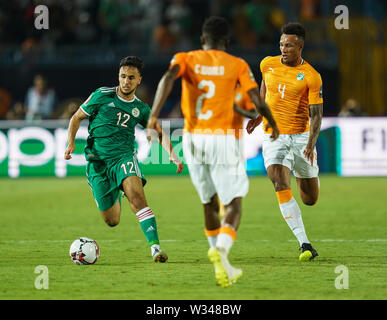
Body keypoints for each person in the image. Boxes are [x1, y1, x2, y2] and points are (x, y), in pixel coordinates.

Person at [148, 16, 278, 287]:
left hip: (192, 138)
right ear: (227, 42)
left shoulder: (185, 58)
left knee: (208, 201)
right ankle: (221, 249)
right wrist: (271, 123)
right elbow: (257, 100)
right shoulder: (238, 64)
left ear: (202, 40)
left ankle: (220, 263)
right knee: (234, 203)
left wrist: (154, 116)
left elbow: (167, 78)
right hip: (223, 137)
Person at [64, 56, 184, 263]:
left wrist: (172, 155)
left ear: (139, 80)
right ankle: (116, 190)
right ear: (118, 77)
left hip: (123, 158)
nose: (126, 81)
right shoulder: (101, 95)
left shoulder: (142, 109)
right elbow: (76, 118)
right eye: (122, 76)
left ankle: (155, 249)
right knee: (112, 221)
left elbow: (160, 133)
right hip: (98, 163)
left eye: (131, 77)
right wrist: (71, 143)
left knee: (137, 199)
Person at [247, 22, 323, 261]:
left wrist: (310, 144)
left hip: (301, 137)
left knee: (310, 199)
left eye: (288, 45)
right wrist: (259, 114)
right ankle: (305, 243)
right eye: (281, 44)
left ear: (299, 46)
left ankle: (308, 175)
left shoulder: (311, 76)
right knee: (279, 182)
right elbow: (265, 88)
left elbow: (317, 114)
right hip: (274, 135)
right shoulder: (267, 64)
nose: (283, 49)